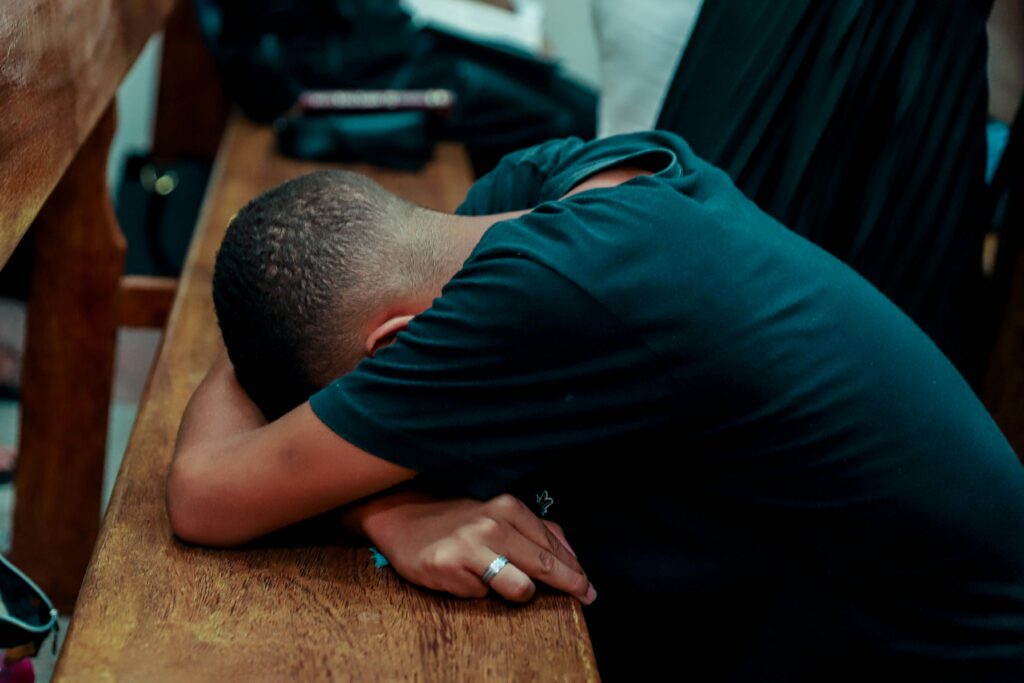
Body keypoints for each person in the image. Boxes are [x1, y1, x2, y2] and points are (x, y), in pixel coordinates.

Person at [168, 131, 1024, 680]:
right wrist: (387, 510)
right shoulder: (543, 186)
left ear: (394, 348)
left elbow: (206, 491)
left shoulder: (534, 299)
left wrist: (353, 488)